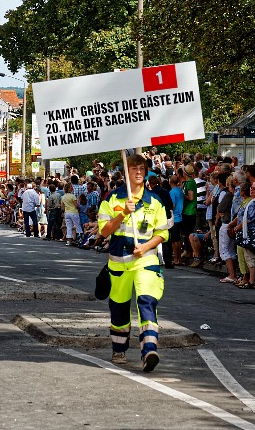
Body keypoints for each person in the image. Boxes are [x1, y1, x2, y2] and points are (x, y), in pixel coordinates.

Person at [98, 153, 169, 372]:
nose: (138, 172)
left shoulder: (154, 200)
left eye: (142, 168)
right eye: (134, 168)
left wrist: (146, 247)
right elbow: (104, 230)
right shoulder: (113, 198)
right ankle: (118, 349)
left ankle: (149, 349)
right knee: (119, 307)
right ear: (127, 172)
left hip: (145, 261)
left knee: (147, 300)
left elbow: (162, 233)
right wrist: (122, 215)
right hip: (119, 263)